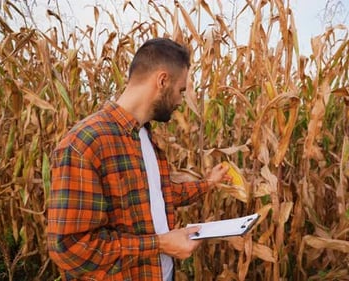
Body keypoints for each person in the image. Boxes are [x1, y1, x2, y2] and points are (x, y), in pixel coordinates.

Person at [47, 38, 229, 281]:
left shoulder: (143, 134)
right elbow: (70, 250)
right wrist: (160, 244)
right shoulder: (85, 144)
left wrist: (209, 183)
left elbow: (156, 195)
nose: (180, 101)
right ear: (162, 81)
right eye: (180, 91)